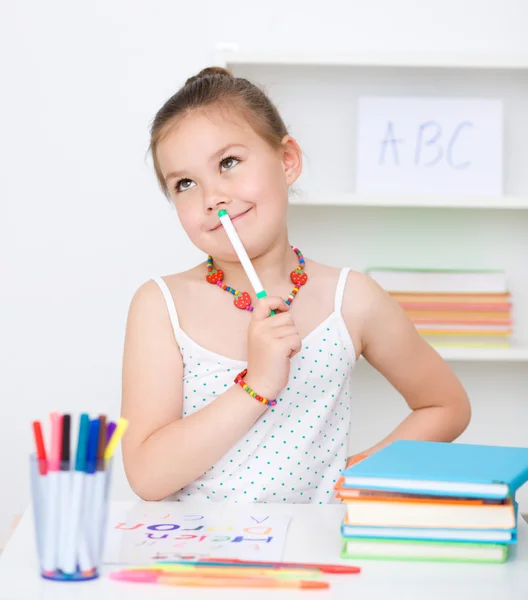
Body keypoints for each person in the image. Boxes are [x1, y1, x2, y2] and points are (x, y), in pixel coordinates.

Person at [121, 66, 471, 503]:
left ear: (287, 161)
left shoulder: (353, 299)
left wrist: (352, 482)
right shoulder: (160, 305)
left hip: (313, 559)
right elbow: (148, 478)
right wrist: (258, 383)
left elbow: (447, 407)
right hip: (199, 563)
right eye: (185, 183)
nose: (212, 197)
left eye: (228, 163)